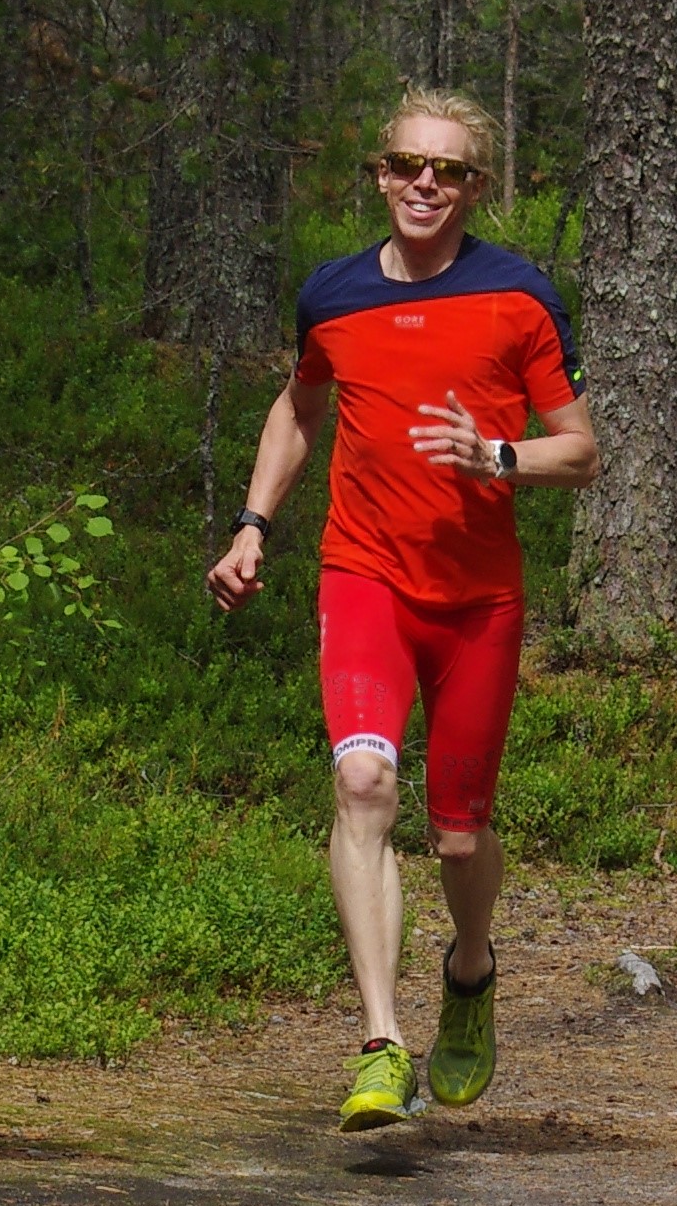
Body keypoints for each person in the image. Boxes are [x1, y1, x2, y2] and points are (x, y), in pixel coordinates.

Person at [205, 92, 598, 1130]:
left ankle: (469, 972)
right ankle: (380, 1042)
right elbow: (299, 408)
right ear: (379, 175)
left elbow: (581, 449)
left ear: (477, 188)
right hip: (362, 576)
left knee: (459, 838)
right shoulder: (329, 296)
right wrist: (252, 524)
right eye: (408, 166)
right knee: (363, 780)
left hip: (477, 601)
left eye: (451, 171)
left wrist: (497, 456)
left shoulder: (518, 295)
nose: (427, 185)